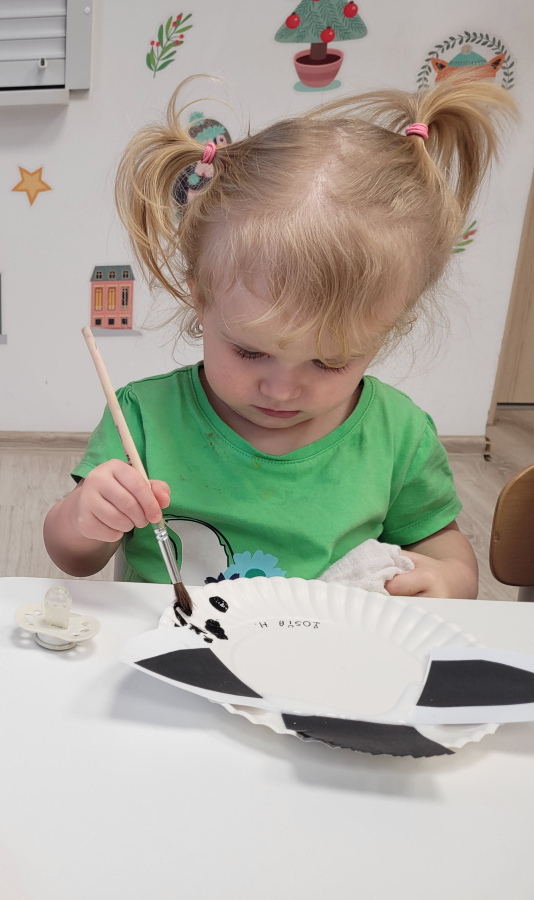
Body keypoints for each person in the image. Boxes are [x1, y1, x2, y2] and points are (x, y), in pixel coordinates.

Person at [44, 75, 516, 599]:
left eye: (330, 362)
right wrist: (85, 519)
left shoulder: (398, 436)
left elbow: (445, 550)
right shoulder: (143, 419)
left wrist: (450, 578)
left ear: (390, 326)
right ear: (200, 298)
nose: (282, 389)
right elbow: (74, 559)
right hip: (169, 643)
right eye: (250, 351)